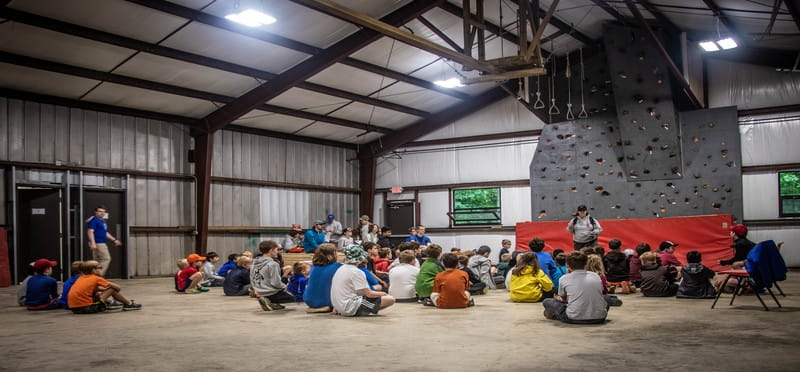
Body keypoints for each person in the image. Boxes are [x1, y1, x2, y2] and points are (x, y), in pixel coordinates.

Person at [542, 252, 609, 324]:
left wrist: (558, 298)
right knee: (605, 298)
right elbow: (600, 292)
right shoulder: (595, 276)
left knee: (547, 301)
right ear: (586, 263)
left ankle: (557, 315)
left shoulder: (564, 278)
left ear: (567, 264)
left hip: (573, 317)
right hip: (600, 317)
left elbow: (564, 299)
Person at [330, 244, 395, 316]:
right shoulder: (357, 272)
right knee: (390, 299)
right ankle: (363, 311)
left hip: (338, 305)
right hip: (350, 306)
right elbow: (369, 294)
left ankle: (366, 309)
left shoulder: (341, 268)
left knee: (377, 298)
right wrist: (384, 293)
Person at [68, 260, 141, 313]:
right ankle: (128, 304)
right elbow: (118, 287)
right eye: (100, 267)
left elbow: (97, 290)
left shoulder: (81, 278)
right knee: (112, 289)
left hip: (74, 308)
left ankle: (111, 303)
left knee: (99, 293)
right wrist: (110, 291)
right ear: (94, 270)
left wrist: (105, 291)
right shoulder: (96, 278)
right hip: (87, 308)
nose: (101, 269)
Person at [252, 240, 295, 311]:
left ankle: (270, 302)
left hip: (258, 291)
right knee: (295, 297)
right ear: (271, 250)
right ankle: (270, 300)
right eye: (277, 250)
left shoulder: (254, 262)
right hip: (270, 292)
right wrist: (285, 284)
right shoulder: (273, 264)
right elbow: (276, 283)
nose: (277, 252)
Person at [303, 243, 342, 313]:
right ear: (332, 254)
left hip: (309, 300)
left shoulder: (314, 267)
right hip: (326, 301)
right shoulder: (338, 267)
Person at [86, 205, 122, 277]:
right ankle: (98, 276)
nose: (102, 213)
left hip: (100, 242)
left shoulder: (102, 221)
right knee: (106, 259)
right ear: (96, 212)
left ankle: (94, 276)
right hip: (98, 243)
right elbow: (90, 231)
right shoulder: (94, 220)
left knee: (97, 261)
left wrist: (114, 240)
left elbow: (105, 233)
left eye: (103, 212)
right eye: (100, 211)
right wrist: (93, 243)